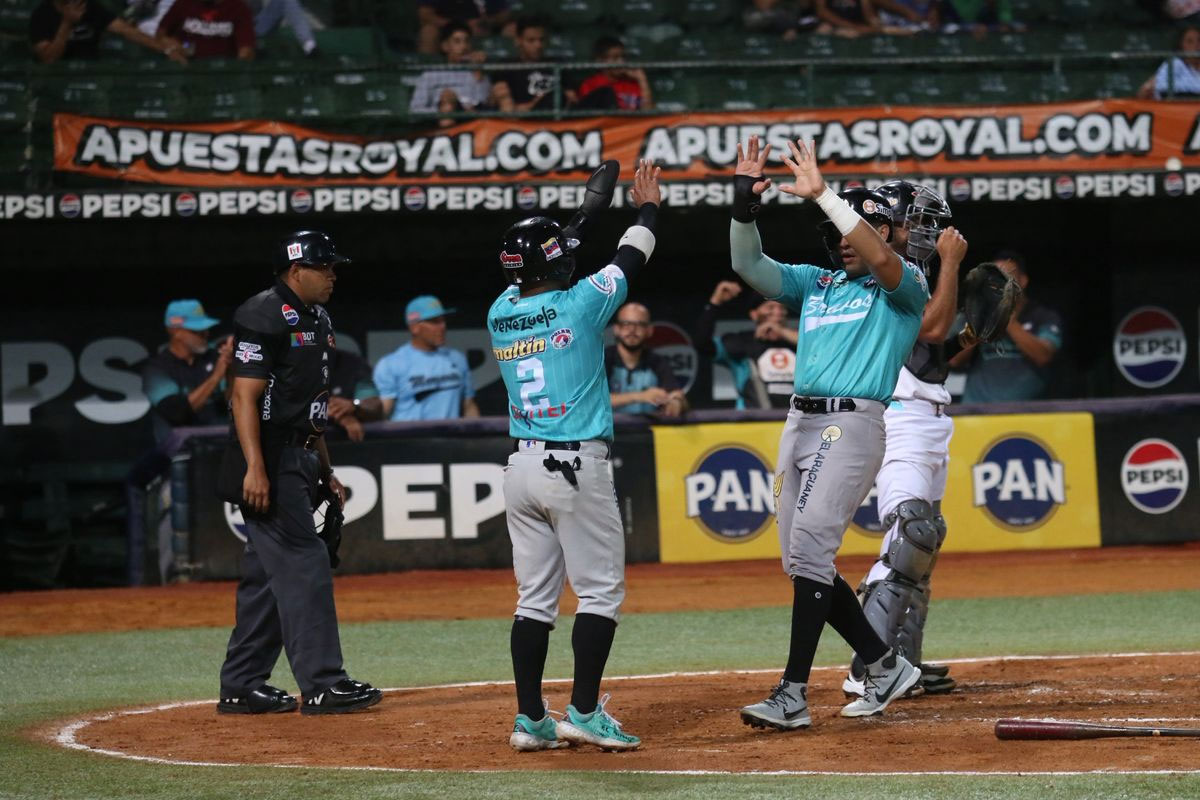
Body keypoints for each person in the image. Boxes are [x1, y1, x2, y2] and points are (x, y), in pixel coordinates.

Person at [730, 136, 927, 730]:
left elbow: (887, 262)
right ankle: (884, 664)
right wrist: (742, 208)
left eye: (857, 230)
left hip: (853, 421)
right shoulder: (817, 285)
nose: (844, 239)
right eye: (838, 231)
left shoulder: (904, 286)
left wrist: (827, 196)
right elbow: (748, 266)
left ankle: (792, 694)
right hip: (800, 420)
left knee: (811, 546)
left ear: (883, 232)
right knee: (802, 560)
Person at [490, 160, 662, 753]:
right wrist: (647, 211)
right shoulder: (580, 303)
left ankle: (531, 719)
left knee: (533, 600)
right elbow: (633, 255)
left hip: (520, 469)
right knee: (600, 593)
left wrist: (583, 216)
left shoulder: (500, 311)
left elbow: (544, 263)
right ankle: (585, 711)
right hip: (574, 465)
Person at [216, 230, 381, 716]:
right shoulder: (262, 312)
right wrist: (255, 467)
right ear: (295, 271)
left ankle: (243, 683)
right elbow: (243, 397)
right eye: (324, 267)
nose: (332, 274)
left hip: (300, 456)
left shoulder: (319, 317)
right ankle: (324, 682)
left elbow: (311, 404)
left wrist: (324, 468)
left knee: (268, 577)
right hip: (268, 457)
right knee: (305, 563)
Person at [840, 180, 966, 702]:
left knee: (922, 541)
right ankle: (867, 667)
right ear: (887, 225)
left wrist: (974, 335)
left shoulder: (908, 275)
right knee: (909, 535)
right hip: (899, 417)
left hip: (926, 414)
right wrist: (952, 265)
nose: (929, 231)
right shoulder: (886, 273)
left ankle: (902, 663)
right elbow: (932, 328)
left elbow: (930, 358)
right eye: (917, 220)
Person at [950, 250, 1062, 402]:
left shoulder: (1043, 316)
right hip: (976, 411)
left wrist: (1005, 319)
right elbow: (953, 360)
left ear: (1023, 281)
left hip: (1027, 415)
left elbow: (1043, 356)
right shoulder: (973, 315)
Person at [373, 295, 479, 421]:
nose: (442, 326)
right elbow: (384, 410)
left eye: (443, 320)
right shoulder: (391, 364)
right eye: (434, 322)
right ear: (414, 327)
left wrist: (478, 437)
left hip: (450, 439)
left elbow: (468, 406)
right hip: (409, 439)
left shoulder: (457, 359)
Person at [695, 281, 798, 409]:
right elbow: (702, 344)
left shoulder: (800, 344)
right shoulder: (742, 342)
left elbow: (823, 349)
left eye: (782, 308)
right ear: (754, 314)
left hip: (797, 423)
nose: (778, 312)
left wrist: (782, 332)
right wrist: (715, 302)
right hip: (753, 422)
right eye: (770, 308)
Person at [128, 0, 317, 56]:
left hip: (239, 29)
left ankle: (310, 47)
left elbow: (251, 10)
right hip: (195, 37)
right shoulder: (182, 6)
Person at [30, 0, 188, 63]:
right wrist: (66, 23)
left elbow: (127, 31)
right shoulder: (42, 15)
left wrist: (166, 49)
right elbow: (48, 58)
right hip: (55, 80)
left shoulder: (89, 8)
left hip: (90, 74)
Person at [605, 301, 688, 418]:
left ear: (649, 330)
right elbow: (592, 402)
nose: (632, 330)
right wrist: (640, 396)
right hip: (609, 434)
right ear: (616, 329)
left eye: (639, 324)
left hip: (647, 433)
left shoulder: (657, 361)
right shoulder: (602, 360)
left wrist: (676, 401)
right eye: (626, 323)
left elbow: (675, 392)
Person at [409, 21, 493, 128]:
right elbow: (415, 110)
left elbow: (484, 104)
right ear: (445, 46)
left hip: (472, 123)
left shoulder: (477, 72)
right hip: (438, 122)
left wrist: (478, 73)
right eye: (457, 42)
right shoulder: (431, 74)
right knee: (447, 103)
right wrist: (440, 109)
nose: (463, 47)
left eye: (466, 41)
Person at [492, 16, 572, 113]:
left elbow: (571, 99)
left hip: (555, 122)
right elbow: (502, 105)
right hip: (522, 122)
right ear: (518, 41)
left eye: (541, 40)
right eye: (531, 40)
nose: (538, 45)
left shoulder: (557, 64)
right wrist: (533, 105)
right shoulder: (505, 67)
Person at [156, 0, 255, 60]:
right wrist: (169, 45)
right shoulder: (184, 3)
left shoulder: (239, 8)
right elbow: (160, 35)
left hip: (223, 70)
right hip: (185, 67)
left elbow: (246, 50)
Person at [576, 35, 653, 111]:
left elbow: (648, 112)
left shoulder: (632, 83)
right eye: (615, 58)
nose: (621, 62)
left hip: (634, 123)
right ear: (600, 60)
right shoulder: (590, 84)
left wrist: (642, 80)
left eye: (623, 57)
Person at [327, 347, 383, 442]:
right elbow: (299, 405)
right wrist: (342, 417)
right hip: (302, 445)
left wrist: (354, 406)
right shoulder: (298, 364)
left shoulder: (352, 363)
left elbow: (374, 404)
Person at [416, 0, 511, 54]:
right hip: (444, 28)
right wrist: (459, 25)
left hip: (477, 28)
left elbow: (503, 15)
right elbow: (425, 15)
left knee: (508, 29)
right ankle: (425, 72)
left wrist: (485, 21)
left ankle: (485, 73)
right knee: (428, 32)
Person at [1137, 25, 1200, 99]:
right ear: (1182, 45)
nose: (1196, 45)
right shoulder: (1174, 64)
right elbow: (1159, 88)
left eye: (1199, 40)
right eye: (1190, 42)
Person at [814, 0, 882, 36]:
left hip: (857, 31)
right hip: (833, 28)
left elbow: (873, 23)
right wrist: (849, 27)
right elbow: (821, 12)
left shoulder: (864, 2)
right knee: (824, 29)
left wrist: (859, 30)